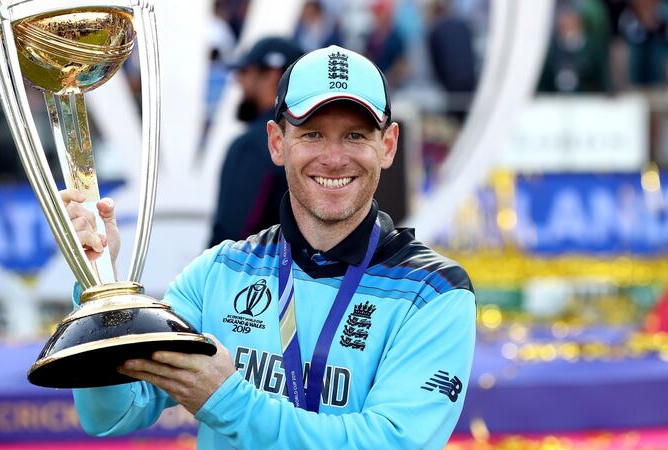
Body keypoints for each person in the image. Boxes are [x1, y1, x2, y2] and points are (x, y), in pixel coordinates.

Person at [65, 46, 476, 449]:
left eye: (355, 135)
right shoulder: (220, 272)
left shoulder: (434, 292)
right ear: (277, 142)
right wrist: (99, 284)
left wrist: (227, 399)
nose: (334, 158)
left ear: (387, 145)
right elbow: (113, 415)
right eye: (312, 134)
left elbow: (388, 444)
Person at [208, 37, 303, 247]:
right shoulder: (311, 144)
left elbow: (231, 239)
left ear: (271, 75)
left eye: (245, 72)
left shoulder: (251, 145)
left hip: (253, 275)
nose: (239, 81)